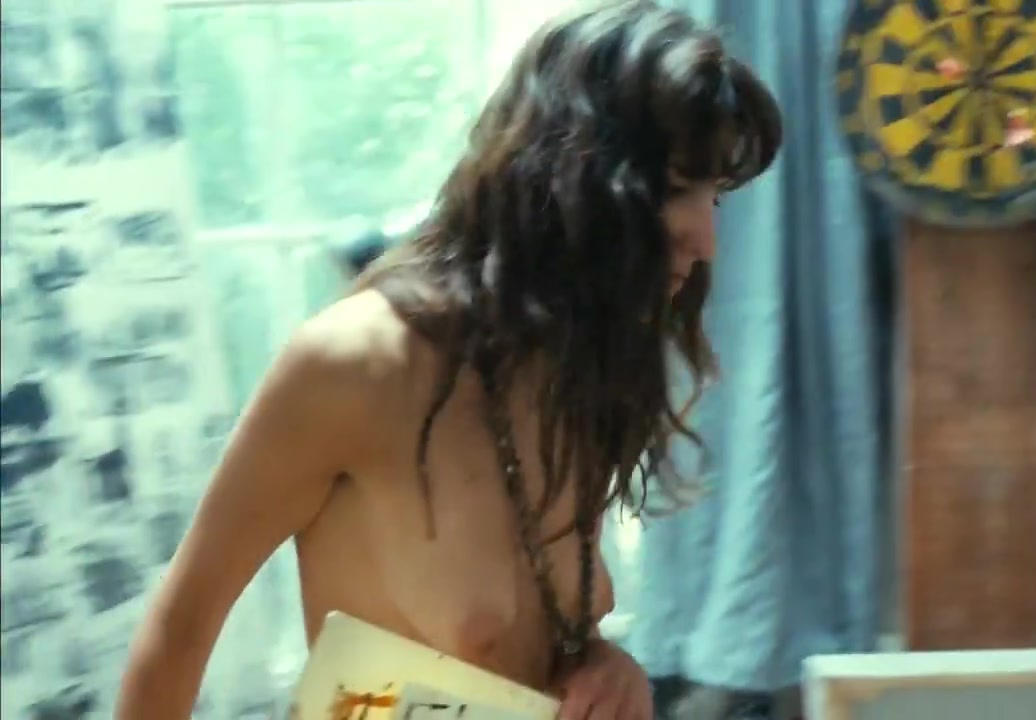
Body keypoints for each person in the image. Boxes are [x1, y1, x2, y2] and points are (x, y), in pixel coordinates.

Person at [116, 1, 781, 718]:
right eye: (675, 191)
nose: (704, 240)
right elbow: (179, 632)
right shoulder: (357, 364)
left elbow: (538, 635)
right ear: (572, 176)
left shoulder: (571, 363)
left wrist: (605, 664)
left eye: (715, 197)